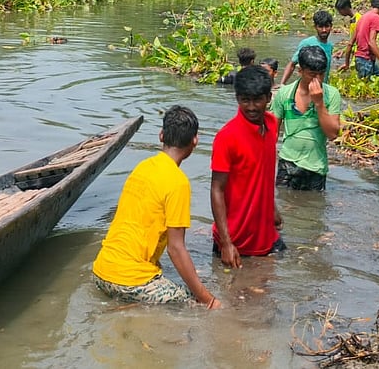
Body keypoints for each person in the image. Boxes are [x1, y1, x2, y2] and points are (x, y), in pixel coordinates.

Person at [91, 106, 220, 308]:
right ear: (195, 140)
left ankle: (127, 304)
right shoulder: (178, 183)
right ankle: (131, 306)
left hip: (101, 272)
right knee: (194, 304)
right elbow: (176, 249)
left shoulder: (142, 168)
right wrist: (209, 299)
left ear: (161, 135)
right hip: (129, 282)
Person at [211, 66, 284, 267]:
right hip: (236, 241)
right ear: (237, 99)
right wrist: (226, 243)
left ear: (268, 98)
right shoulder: (227, 137)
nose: (251, 107)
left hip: (266, 234)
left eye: (257, 100)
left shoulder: (272, 124)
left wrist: (273, 208)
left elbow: (263, 173)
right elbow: (217, 189)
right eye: (245, 100)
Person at [272, 46, 342, 191]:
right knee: (283, 204)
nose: (317, 79)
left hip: (315, 166)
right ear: (300, 71)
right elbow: (272, 132)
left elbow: (333, 134)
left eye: (321, 74)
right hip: (287, 162)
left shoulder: (331, 94)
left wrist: (319, 103)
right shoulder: (285, 93)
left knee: (313, 209)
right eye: (312, 74)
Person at [280, 10, 334, 84]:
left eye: (327, 26)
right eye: (320, 27)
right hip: (307, 86)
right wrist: (282, 84)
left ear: (331, 26)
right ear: (315, 27)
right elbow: (292, 64)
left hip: (323, 86)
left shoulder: (330, 46)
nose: (324, 30)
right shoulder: (307, 43)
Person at [351, 0, 379, 78]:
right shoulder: (376, 17)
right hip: (365, 59)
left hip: (360, 58)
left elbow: (351, 42)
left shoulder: (363, 17)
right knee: (366, 88)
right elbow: (371, 42)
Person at [334, 0, 361, 69]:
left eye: (340, 10)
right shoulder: (353, 19)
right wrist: (344, 51)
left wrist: (347, 63)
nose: (339, 13)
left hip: (359, 55)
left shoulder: (358, 20)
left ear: (345, 8)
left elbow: (354, 42)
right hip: (355, 53)